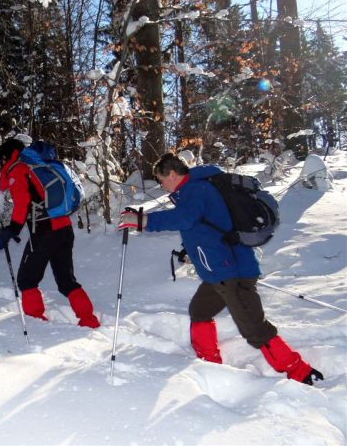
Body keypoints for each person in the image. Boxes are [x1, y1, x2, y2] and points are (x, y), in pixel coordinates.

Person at [118, 153, 323, 385]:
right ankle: (207, 362)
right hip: (220, 270)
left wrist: (143, 221)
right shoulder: (196, 189)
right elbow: (206, 225)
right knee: (200, 311)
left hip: (231, 271)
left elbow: (185, 219)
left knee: (253, 328)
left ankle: (298, 370)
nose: (162, 185)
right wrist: (191, 249)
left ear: (173, 174)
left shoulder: (196, 190)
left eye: (162, 180)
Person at [0, 138, 100, 328]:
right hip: (64, 229)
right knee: (66, 281)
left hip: (44, 233)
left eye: (0, 160)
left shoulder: (19, 169)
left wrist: (12, 229)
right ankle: (89, 320)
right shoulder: (38, 166)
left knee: (26, 280)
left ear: (6, 157)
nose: (0, 165)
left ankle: (35, 324)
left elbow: (22, 202)